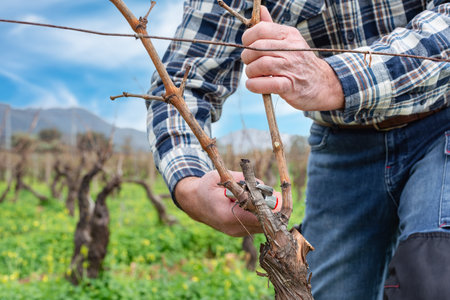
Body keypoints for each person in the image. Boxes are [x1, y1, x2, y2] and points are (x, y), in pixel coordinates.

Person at [147, 0, 450, 299]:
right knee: (325, 292)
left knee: (434, 275)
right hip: (340, 142)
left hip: (442, 122)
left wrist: (335, 79)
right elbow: (180, 83)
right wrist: (189, 187)